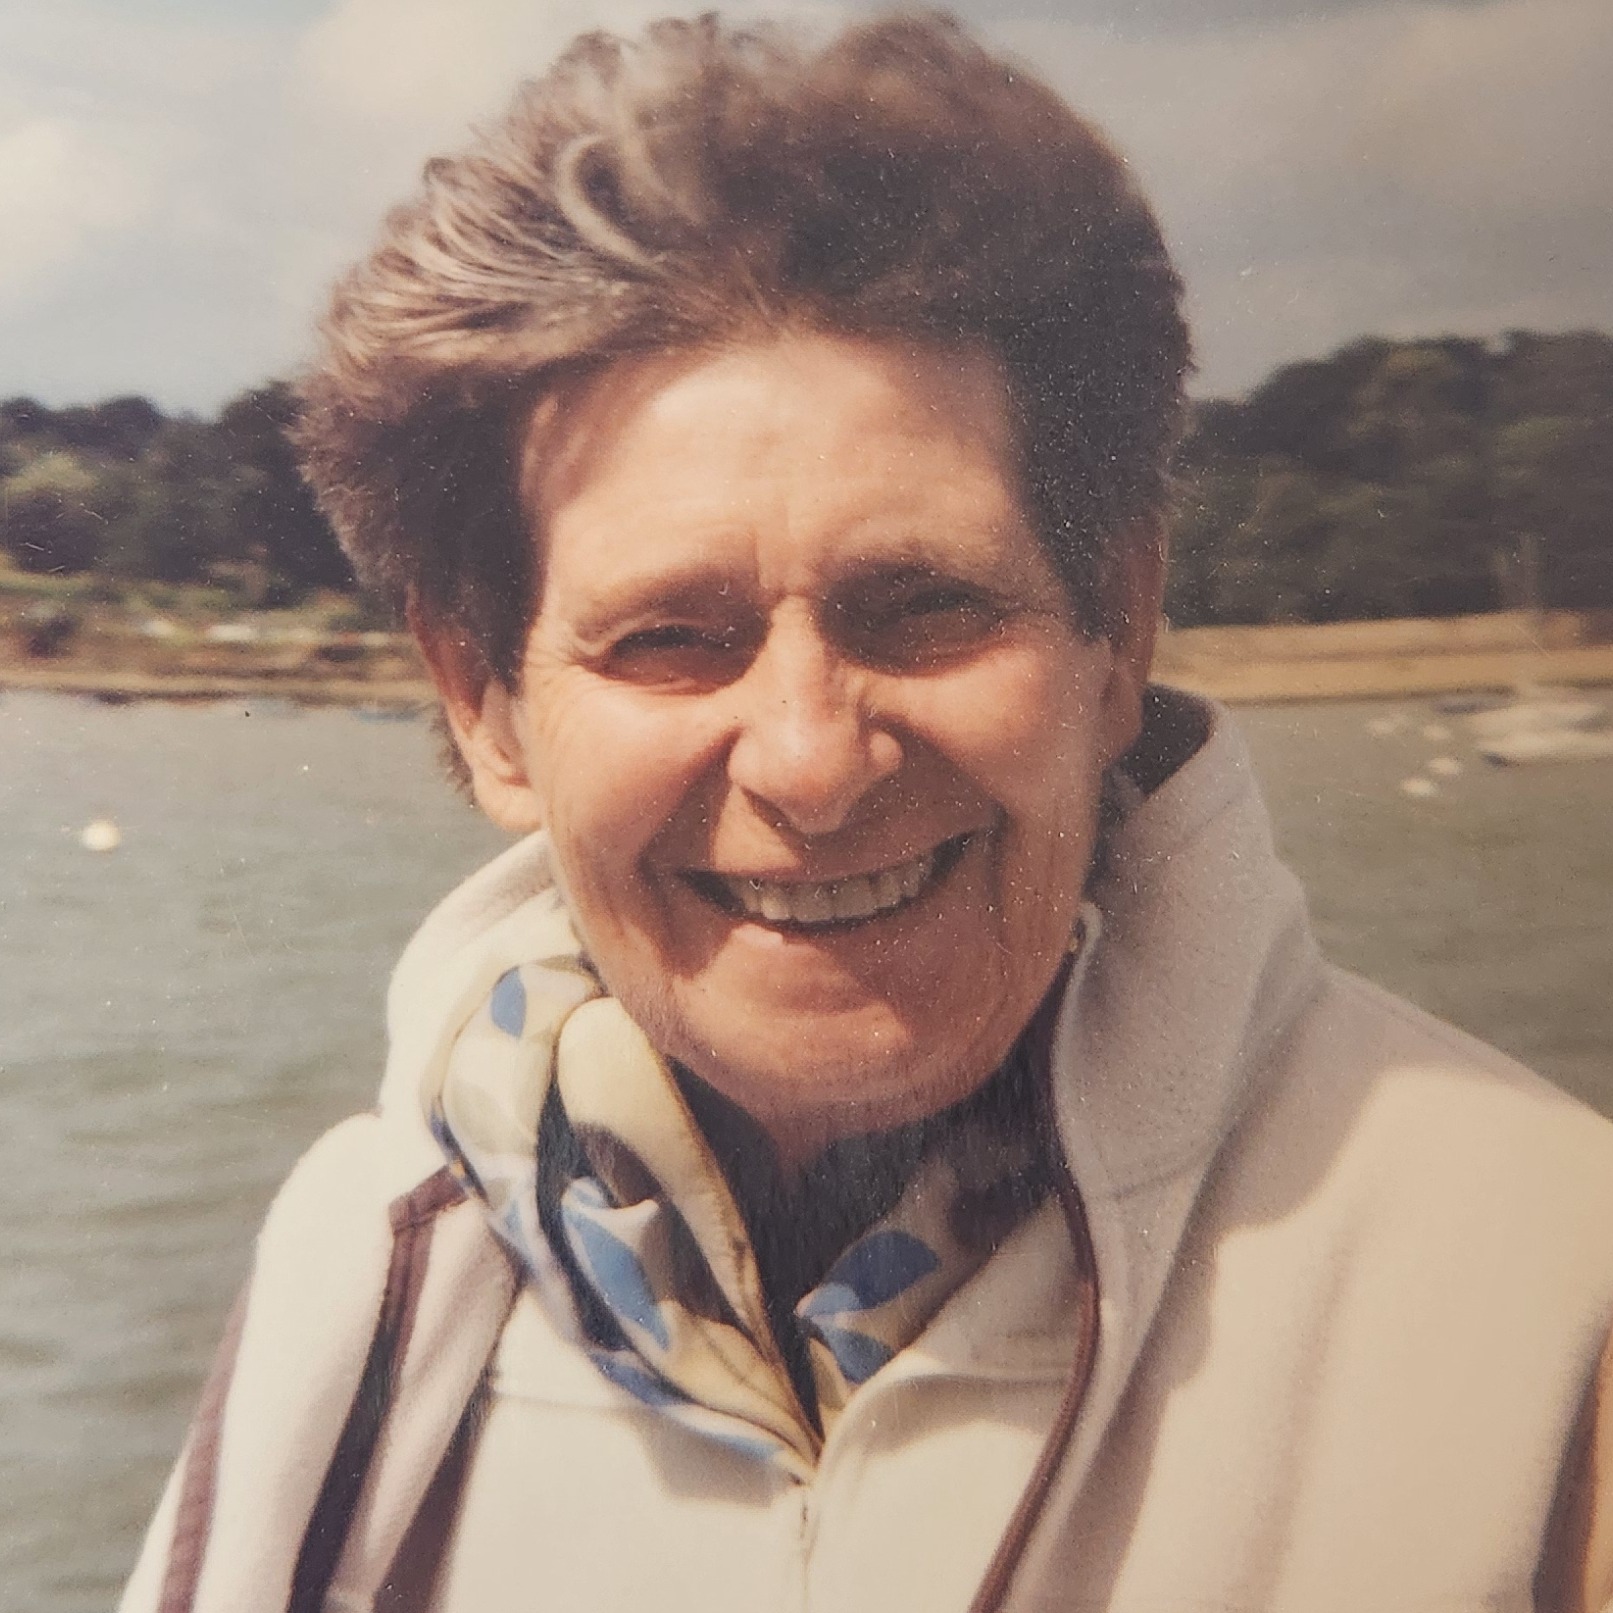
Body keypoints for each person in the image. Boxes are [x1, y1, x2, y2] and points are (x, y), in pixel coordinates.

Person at [122, 12, 1613, 1612]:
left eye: (924, 605)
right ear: (482, 703)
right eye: (672, 636)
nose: (812, 761)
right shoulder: (355, 1282)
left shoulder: (1553, 1305)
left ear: (1116, 628)